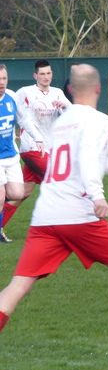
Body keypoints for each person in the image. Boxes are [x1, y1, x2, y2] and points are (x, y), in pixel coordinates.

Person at [0, 64, 108, 364]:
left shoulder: (61, 122)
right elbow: (87, 164)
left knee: (18, 285)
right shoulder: (99, 120)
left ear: (69, 90)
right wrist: (98, 196)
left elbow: (79, 163)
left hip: (45, 217)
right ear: (97, 89)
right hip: (77, 214)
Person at [1, 59, 71, 241]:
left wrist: (64, 106)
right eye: (42, 74)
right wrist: (12, 133)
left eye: (48, 73)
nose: (46, 77)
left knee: (22, 192)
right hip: (31, 148)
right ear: (35, 76)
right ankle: (63, 229)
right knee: (58, 181)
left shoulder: (57, 93)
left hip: (48, 149)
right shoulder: (25, 92)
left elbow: (71, 113)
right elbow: (13, 111)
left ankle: (0, 226)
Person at [0, 65, 25, 243]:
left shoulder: (12, 96)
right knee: (0, 196)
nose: (1, 83)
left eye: (4, 79)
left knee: (17, 194)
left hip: (11, 155)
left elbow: (23, 119)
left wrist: (37, 138)